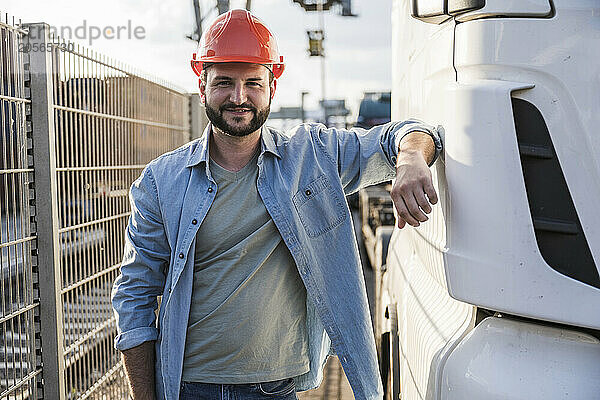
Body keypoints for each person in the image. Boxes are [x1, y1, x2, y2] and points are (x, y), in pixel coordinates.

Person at [111, 9, 442, 400]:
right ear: (202, 86)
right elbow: (133, 296)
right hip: (191, 388)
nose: (239, 97)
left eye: (253, 82)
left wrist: (411, 160)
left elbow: (411, 133)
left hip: (276, 390)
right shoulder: (160, 182)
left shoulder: (312, 158)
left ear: (273, 86)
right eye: (224, 83)